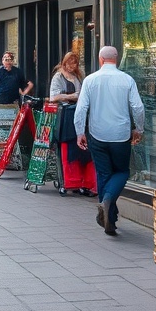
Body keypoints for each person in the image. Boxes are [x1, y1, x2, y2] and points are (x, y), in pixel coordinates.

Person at [74, 45, 145, 236]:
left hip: (97, 134)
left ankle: (109, 216)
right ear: (117, 58)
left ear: (100, 59)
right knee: (122, 171)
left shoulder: (90, 80)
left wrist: (80, 132)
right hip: (121, 135)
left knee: (104, 173)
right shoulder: (127, 79)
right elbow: (138, 107)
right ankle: (108, 208)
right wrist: (138, 129)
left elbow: (81, 109)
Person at [49, 51, 97, 197]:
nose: (72, 67)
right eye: (69, 64)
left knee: (84, 152)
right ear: (64, 63)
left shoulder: (78, 76)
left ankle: (85, 182)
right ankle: (71, 181)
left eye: (74, 64)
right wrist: (72, 96)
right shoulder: (58, 77)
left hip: (79, 115)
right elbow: (53, 97)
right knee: (69, 150)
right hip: (66, 117)